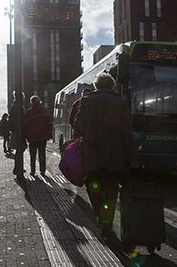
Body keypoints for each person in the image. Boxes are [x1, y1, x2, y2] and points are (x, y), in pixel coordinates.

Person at [73, 72, 139, 237]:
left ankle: (100, 214)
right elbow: (127, 132)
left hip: (92, 156)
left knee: (92, 185)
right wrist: (133, 158)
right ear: (112, 86)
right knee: (111, 189)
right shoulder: (120, 103)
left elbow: (78, 126)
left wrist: (78, 134)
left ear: (96, 85)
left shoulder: (86, 102)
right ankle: (107, 220)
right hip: (114, 156)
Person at [24, 95, 51, 176]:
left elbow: (26, 124)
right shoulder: (44, 111)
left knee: (33, 155)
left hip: (32, 136)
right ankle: (42, 170)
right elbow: (48, 122)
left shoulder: (29, 112)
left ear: (31, 102)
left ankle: (33, 171)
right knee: (42, 154)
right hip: (43, 136)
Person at [9, 91, 26, 180]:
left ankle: (18, 168)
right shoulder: (18, 106)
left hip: (17, 130)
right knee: (20, 148)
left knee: (20, 149)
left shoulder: (15, 106)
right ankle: (17, 168)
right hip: (18, 131)